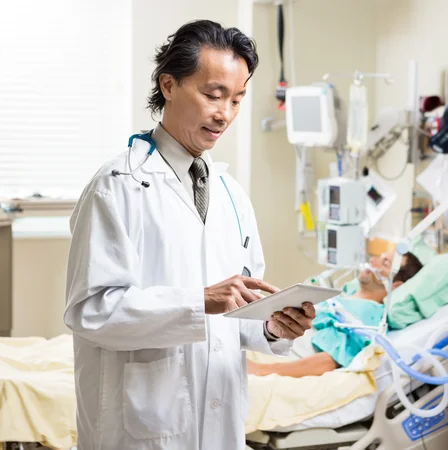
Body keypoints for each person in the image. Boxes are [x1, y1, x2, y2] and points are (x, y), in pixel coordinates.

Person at [63, 20, 315, 450]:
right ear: (169, 85)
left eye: (236, 99)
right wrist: (198, 301)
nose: (225, 114)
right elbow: (90, 311)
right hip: (140, 427)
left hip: (219, 421)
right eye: (213, 95)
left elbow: (242, 310)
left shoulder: (232, 195)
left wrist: (274, 326)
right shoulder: (117, 185)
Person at [247, 251, 423, 378]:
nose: (373, 261)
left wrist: (262, 370)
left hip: (278, 358)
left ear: (396, 285)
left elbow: (328, 361)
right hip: (261, 344)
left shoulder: (370, 314)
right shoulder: (341, 297)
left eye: (384, 263)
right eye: (379, 256)